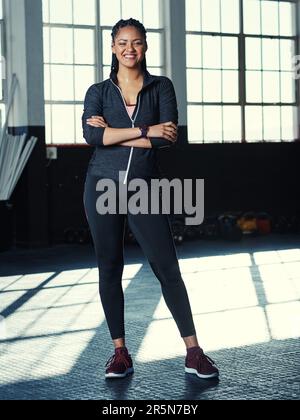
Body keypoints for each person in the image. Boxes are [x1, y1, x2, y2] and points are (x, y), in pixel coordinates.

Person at [82, 18, 219, 380]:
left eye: (137, 42)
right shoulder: (98, 91)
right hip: (101, 186)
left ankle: (193, 352)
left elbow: (168, 137)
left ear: (145, 47)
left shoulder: (161, 88)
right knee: (109, 267)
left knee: (166, 267)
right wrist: (145, 130)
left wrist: (114, 133)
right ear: (112, 47)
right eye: (123, 42)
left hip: (145, 188)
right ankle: (120, 353)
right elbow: (92, 138)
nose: (130, 48)